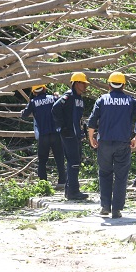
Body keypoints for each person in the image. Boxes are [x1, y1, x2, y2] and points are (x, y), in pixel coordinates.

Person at [87, 72, 136, 218]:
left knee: (105, 173)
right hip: (123, 144)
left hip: (105, 144)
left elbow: (92, 122)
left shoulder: (102, 100)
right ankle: (117, 210)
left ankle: (105, 206)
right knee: (121, 176)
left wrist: (91, 138)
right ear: (124, 86)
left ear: (109, 85)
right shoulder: (130, 101)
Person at [52, 72, 89, 200]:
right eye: (83, 83)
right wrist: (62, 127)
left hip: (76, 134)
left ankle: (70, 191)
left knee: (75, 161)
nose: (85, 86)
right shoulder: (68, 97)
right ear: (77, 83)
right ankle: (73, 192)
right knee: (73, 162)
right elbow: (55, 109)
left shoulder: (79, 98)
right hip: (69, 134)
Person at [21, 85, 66, 188]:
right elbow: (63, 104)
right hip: (56, 134)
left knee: (42, 160)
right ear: (44, 89)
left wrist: (24, 111)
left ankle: (43, 183)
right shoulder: (53, 98)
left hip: (43, 135)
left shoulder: (33, 102)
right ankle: (62, 181)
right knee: (59, 158)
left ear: (34, 92)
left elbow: (24, 114)